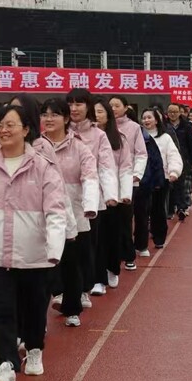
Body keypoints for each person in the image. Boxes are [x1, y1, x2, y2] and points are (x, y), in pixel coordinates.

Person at [0, 104, 66, 381]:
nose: (4, 130)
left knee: (34, 308)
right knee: (1, 310)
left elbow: (56, 212)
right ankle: (6, 364)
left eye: (11, 124)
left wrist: (54, 250)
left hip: (35, 254)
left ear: (26, 130)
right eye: (0, 125)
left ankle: (34, 349)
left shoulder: (43, 168)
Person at [39, 98, 98, 328]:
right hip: (43, 212)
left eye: (54, 115)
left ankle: (73, 307)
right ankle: (45, 308)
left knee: (72, 262)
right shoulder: (35, 145)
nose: (49, 119)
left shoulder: (79, 147)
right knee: (44, 263)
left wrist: (90, 205)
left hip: (74, 211)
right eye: (45, 114)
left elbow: (90, 177)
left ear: (65, 119)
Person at [66, 89, 117, 302]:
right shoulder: (59, 130)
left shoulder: (99, 135)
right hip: (60, 199)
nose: (74, 108)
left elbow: (105, 166)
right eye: (71, 103)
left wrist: (111, 194)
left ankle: (84, 288)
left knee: (86, 247)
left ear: (88, 107)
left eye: (79, 104)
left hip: (90, 200)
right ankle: (65, 291)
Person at [109, 96, 147, 272]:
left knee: (125, 219)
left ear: (126, 108)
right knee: (109, 221)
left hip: (127, 180)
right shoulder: (102, 127)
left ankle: (129, 255)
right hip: (106, 181)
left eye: (117, 105)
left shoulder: (134, 128)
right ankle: (112, 257)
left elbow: (141, 153)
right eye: (110, 106)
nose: (113, 108)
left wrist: (136, 174)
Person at [92, 98, 125, 291]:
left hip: (114, 194)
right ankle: (98, 278)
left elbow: (125, 166)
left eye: (100, 112)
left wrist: (120, 191)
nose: (96, 115)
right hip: (93, 194)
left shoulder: (119, 138)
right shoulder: (83, 137)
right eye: (93, 112)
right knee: (97, 238)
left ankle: (112, 268)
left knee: (112, 235)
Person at [139, 108, 183, 251]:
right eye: (144, 118)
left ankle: (159, 237)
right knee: (142, 210)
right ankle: (141, 240)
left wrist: (174, 172)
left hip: (160, 178)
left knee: (158, 209)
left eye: (149, 118)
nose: (146, 120)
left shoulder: (165, 138)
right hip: (142, 179)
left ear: (156, 120)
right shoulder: (138, 137)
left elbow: (173, 155)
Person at [166, 104, 192, 221]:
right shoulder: (164, 126)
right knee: (169, 185)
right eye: (170, 111)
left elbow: (191, 144)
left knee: (181, 185)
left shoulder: (186, 126)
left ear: (180, 113)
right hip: (168, 160)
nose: (172, 114)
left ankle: (181, 208)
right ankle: (170, 209)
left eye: (175, 111)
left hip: (183, 159)